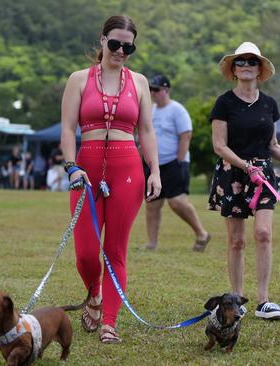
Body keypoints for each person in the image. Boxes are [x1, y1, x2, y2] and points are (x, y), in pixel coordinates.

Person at [59, 15, 161, 344]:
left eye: (127, 46)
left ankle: (110, 323)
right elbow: (66, 130)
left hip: (127, 168)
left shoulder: (140, 82)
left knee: (115, 250)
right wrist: (71, 165)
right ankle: (94, 294)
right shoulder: (78, 79)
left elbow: (146, 130)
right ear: (103, 40)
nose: (120, 51)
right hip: (86, 169)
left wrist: (155, 170)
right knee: (86, 253)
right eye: (115, 43)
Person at [208, 42, 280, 321]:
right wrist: (245, 165)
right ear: (233, 69)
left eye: (252, 61)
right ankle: (236, 300)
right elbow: (219, 145)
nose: (246, 66)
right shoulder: (224, 103)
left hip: (263, 175)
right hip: (234, 173)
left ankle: (263, 301)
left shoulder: (269, 104)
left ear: (260, 68)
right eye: (240, 62)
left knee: (264, 234)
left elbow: (273, 144)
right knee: (237, 240)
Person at [143, 74, 210, 251]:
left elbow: (186, 135)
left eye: (156, 89)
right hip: (155, 165)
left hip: (174, 163)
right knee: (152, 203)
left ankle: (202, 233)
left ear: (166, 90)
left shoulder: (177, 110)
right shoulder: (151, 110)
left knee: (177, 202)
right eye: (151, 89)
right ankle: (152, 243)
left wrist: (179, 160)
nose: (153, 93)